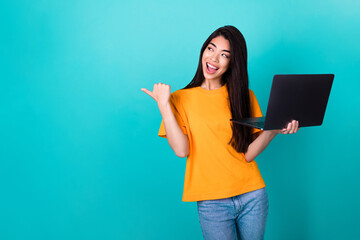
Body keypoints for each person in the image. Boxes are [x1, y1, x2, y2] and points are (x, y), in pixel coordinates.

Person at [141, 25, 299, 240]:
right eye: (211, 49)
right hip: (212, 203)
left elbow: (248, 154)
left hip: (252, 194)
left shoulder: (244, 96)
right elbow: (181, 150)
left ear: (233, 62)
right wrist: (164, 106)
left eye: (224, 55)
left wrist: (273, 130)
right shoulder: (180, 99)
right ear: (203, 51)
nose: (214, 58)